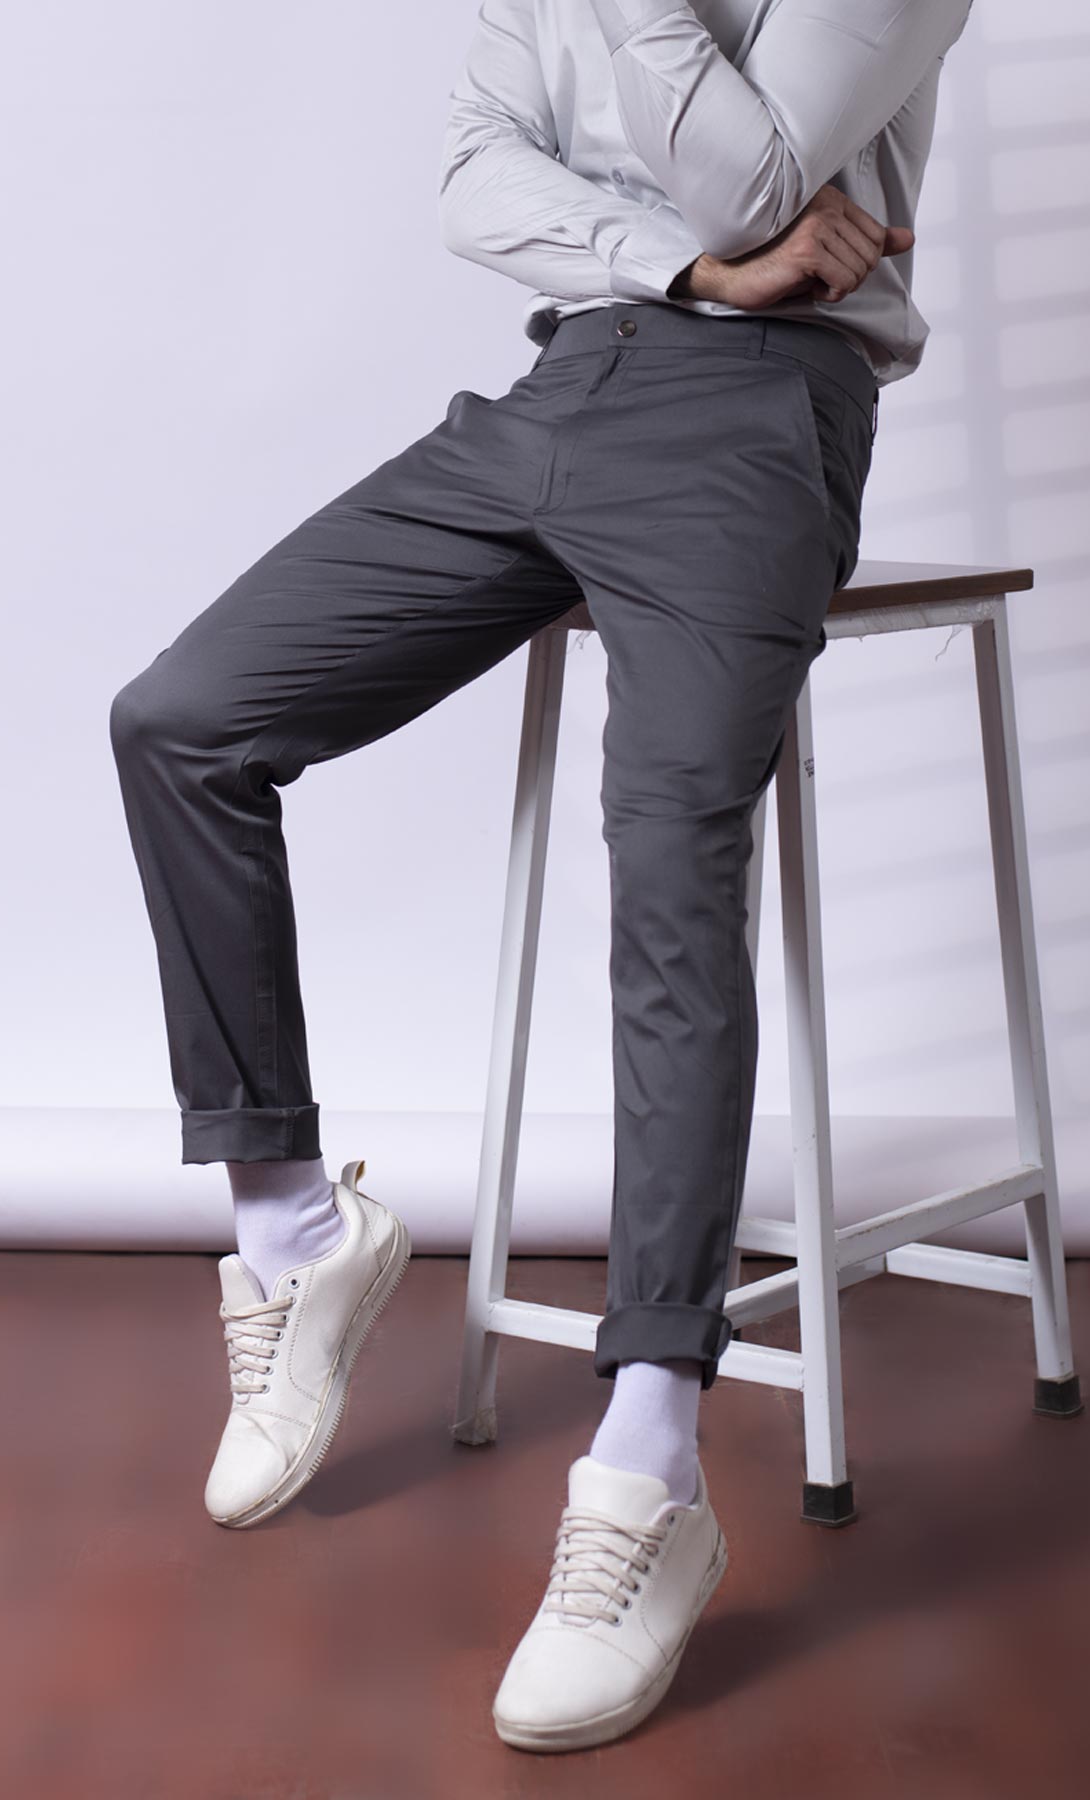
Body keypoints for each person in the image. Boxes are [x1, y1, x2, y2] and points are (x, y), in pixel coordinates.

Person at [109, 0, 974, 1754]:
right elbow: (472, 181)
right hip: (566, 383)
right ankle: (293, 1231)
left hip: (766, 418)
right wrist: (685, 269)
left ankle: (650, 1468)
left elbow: (751, 180)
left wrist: (706, 232)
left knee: (670, 864)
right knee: (182, 721)